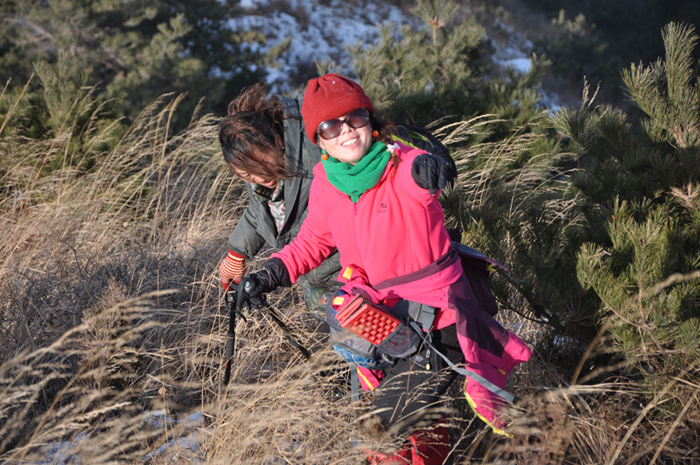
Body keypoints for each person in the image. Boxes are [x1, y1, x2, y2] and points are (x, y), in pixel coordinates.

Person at [236, 74, 532, 464]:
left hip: (437, 318)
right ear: (318, 140)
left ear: (370, 119)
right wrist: (267, 274)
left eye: (354, 117)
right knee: (419, 426)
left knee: (382, 433)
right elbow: (311, 242)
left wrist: (432, 170)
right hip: (380, 318)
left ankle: (539, 440)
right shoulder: (326, 180)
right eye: (330, 125)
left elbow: (422, 173)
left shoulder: (401, 162)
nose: (345, 130)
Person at [218, 83, 341, 316]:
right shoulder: (259, 169)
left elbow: (334, 217)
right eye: (247, 175)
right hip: (315, 268)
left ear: (277, 139)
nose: (259, 178)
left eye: (262, 167)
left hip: (351, 267)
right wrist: (237, 252)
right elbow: (266, 209)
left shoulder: (315, 150)